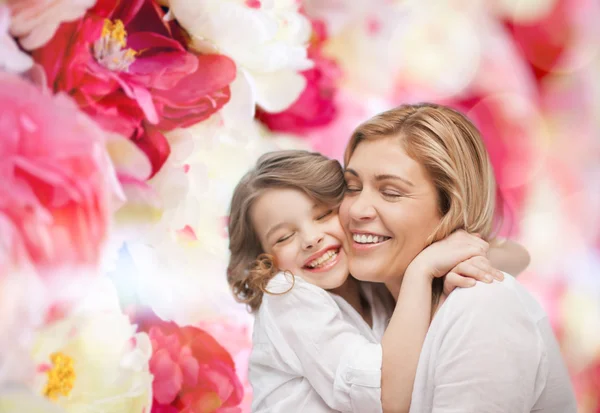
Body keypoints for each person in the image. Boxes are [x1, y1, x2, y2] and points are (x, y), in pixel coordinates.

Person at [227, 150, 528, 412]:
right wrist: (422, 268)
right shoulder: (287, 294)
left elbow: (516, 259)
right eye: (284, 237)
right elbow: (386, 399)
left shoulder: (369, 280)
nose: (310, 239)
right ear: (265, 262)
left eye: (323, 215)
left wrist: (448, 243)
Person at [340, 102, 577, 412]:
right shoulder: (372, 302)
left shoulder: (481, 307)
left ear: (450, 206)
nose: (357, 210)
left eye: (391, 192)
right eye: (351, 187)